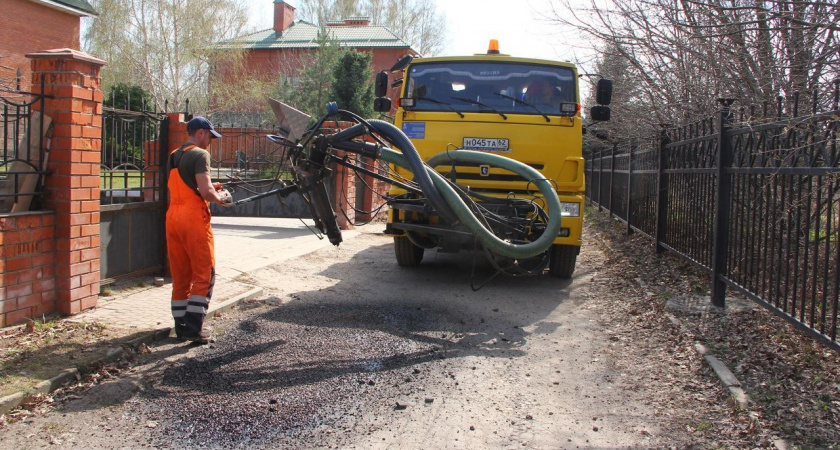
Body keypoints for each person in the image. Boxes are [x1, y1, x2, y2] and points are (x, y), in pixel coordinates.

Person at [166, 116, 232, 344]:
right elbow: (204, 192)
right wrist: (220, 198)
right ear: (201, 132)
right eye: (210, 137)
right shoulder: (200, 154)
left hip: (173, 218)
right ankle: (194, 329)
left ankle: (181, 327)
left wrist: (210, 187)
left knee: (181, 274)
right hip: (193, 219)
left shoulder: (174, 155)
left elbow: (189, 184)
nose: (210, 142)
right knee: (205, 272)